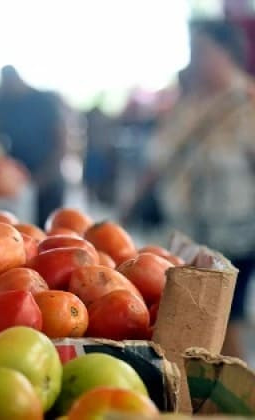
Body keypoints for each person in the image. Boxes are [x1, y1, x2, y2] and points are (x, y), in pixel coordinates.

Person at [141, 20, 255, 357]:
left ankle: (237, 399)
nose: (195, 59)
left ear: (228, 52)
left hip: (235, 233)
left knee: (227, 318)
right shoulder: (188, 103)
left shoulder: (248, 104)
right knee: (194, 320)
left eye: (202, 50)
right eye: (193, 50)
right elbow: (160, 157)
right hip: (187, 235)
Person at [0, 66, 67, 226]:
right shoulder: (4, 103)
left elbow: (61, 138)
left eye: (9, 84)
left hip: (48, 175)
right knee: (22, 229)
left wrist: (46, 175)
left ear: (18, 79)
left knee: (50, 226)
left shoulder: (44, 101)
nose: (7, 88)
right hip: (19, 177)